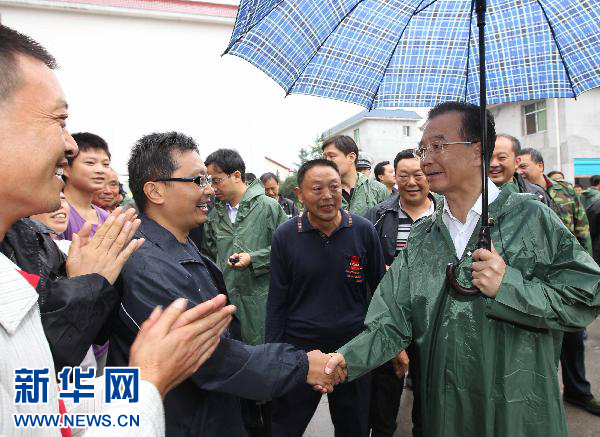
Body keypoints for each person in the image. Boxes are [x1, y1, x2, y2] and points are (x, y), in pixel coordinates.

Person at [0, 24, 235, 436]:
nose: (71, 146)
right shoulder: (138, 260)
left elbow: (38, 398)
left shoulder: (26, 250)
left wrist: (143, 378)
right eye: (58, 121)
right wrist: (148, 385)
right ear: (155, 191)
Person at [324, 101, 600, 437]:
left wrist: (510, 287)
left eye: (438, 146)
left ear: (477, 151)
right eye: (422, 148)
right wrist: (344, 360)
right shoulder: (423, 236)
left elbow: (585, 296)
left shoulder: (532, 219)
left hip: (518, 410)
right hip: (445, 411)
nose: (426, 159)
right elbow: (389, 321)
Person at [109, 132, 338, 437]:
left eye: (209, 181)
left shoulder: (181, 244)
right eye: (198, 181)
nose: (209, 190)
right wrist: (302, 364)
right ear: (155, 191)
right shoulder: (146, 267)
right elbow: (212, 359)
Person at [267, 159, 386, 437]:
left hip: (352, 349)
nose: (327, 196)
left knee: (354, 427)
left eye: (334, 187)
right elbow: (277, 302)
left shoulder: (363, 230)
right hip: (300, 349)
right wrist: (273, 355)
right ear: (300, 194)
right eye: (317, 188)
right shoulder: (285, 236)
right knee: (285, 427)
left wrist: (380, 346)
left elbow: (381, 291)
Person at [517, 148, 600, 416]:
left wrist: (585, 275)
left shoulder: (565, 192)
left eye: (524, 165)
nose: (520, 170)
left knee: (574, 338)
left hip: (565, 278)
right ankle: (540, 399)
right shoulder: (516, 194)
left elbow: (582, 231)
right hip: (534, 281)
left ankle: (578, 391)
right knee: (537, 342)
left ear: (540, 166)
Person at [364, 149, 438, 437]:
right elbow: (363, 267)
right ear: (394, 178)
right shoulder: (377, 216)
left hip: (434, 320)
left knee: (429, 401)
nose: (411, 182)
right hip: (391, 320)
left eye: (418, 174)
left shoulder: (448, 212)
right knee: (384, 402)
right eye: (403, 175)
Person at [203, 149, 288, 346]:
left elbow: (288, 250)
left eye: (217, 181)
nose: (213, 188)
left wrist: (254, 259)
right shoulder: (214, 215)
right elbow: (209, 256)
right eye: (209, 182)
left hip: (264, 303)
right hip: (228, 306)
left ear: (236, 176)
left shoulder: (268, 207)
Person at [60, 132, 112, 240]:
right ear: (65, 168)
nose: (100, 170)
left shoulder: (106, 217)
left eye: (105, 164)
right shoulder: (57, 212)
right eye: (90, 163)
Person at [322, 136, 388, 215]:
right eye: (324, 157)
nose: (327, 161)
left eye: (331, 156)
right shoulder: (322, 192)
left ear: (351, 157)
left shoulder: (377, 189)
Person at [489, 134, 551, 206]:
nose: (493, 164)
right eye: (488, 158)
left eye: (502, 157)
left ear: (516, 161)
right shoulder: (477, 196)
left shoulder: (537, 193)